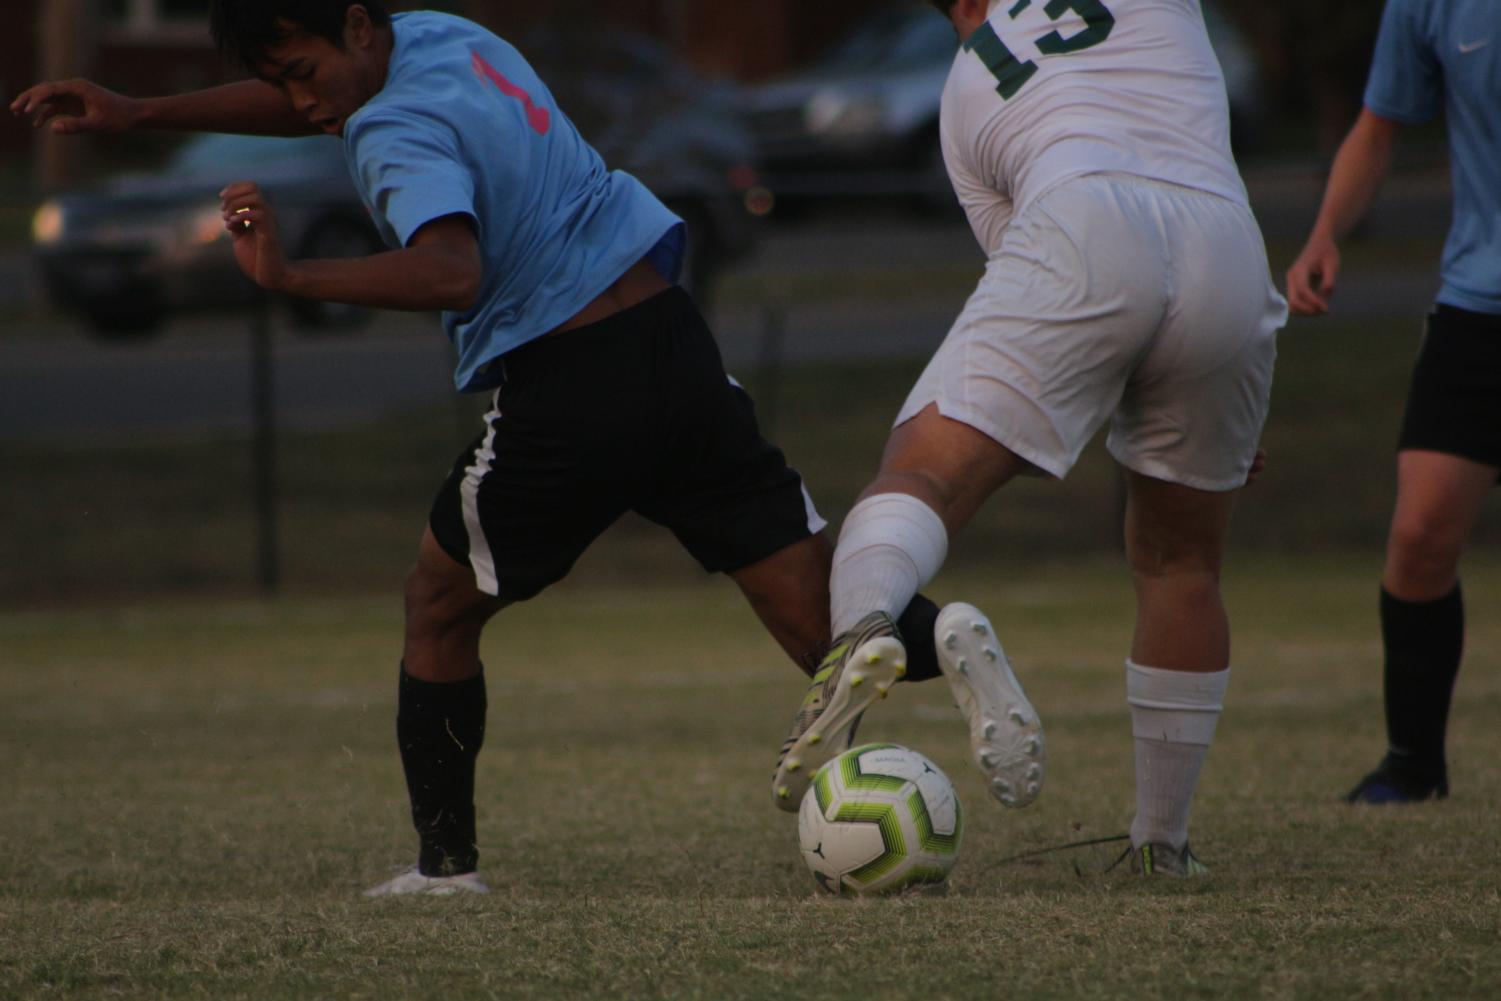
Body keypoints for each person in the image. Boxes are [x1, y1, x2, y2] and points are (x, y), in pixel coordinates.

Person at [11, 0, 950, 896]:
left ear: (352, 28)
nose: (304, 105)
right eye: (281, 83)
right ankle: (944, 633)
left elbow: (451, 270)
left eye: (302, 74)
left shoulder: (389, 128)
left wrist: (292, 272)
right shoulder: (441, 34)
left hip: (571, 382)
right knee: (819, 619)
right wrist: (139, 111)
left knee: (437, 607)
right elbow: (312, 88)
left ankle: (444, 870)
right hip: (671, 337)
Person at [772, 0, 1286, 878]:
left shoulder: (967, 91)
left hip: (1081, 213)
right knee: (1180, 565)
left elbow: (1058, 301)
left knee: (921, 478)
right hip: (1227, 246)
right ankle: (1162, 845)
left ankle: (862, 625)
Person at [1286, 0, 1499, 804]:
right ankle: (1412, 764)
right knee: (1417, 536)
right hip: (1478, 307)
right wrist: (1324, 232)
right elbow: (1378, 126)